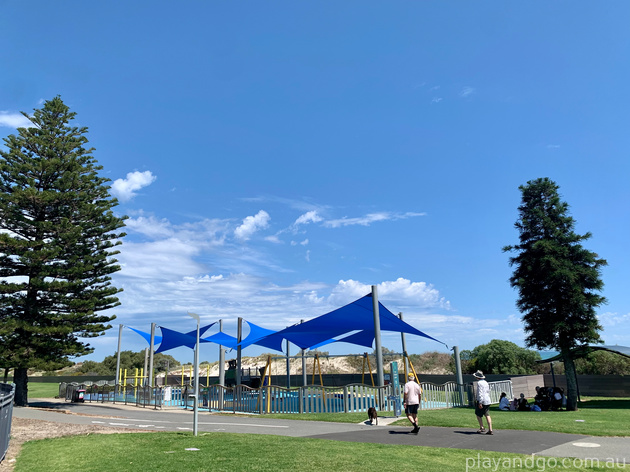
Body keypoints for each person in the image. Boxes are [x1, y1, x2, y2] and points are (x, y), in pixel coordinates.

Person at [473, 370, 493, 435]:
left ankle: (482, 427)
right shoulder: (486, 382)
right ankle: (490, 429)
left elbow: (480, 393)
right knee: (487, 414)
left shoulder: (479, 383)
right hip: (487, 400)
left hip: (482, 400)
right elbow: (487, 391)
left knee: (478, 413)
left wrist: (480, 402)